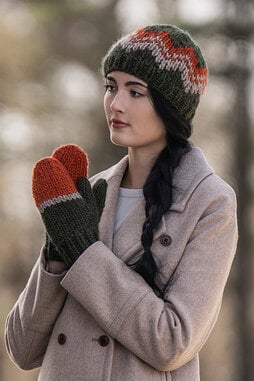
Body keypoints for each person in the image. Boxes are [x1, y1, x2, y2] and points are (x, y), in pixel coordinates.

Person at [5, 24, 238, 381]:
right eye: (111, 86)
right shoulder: (92, 192)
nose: (115, 104)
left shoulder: (210, 202)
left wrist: (83, 253)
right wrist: (56, 254)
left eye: (136, 92)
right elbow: (22, 348)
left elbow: (172, 342)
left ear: (170, 105)